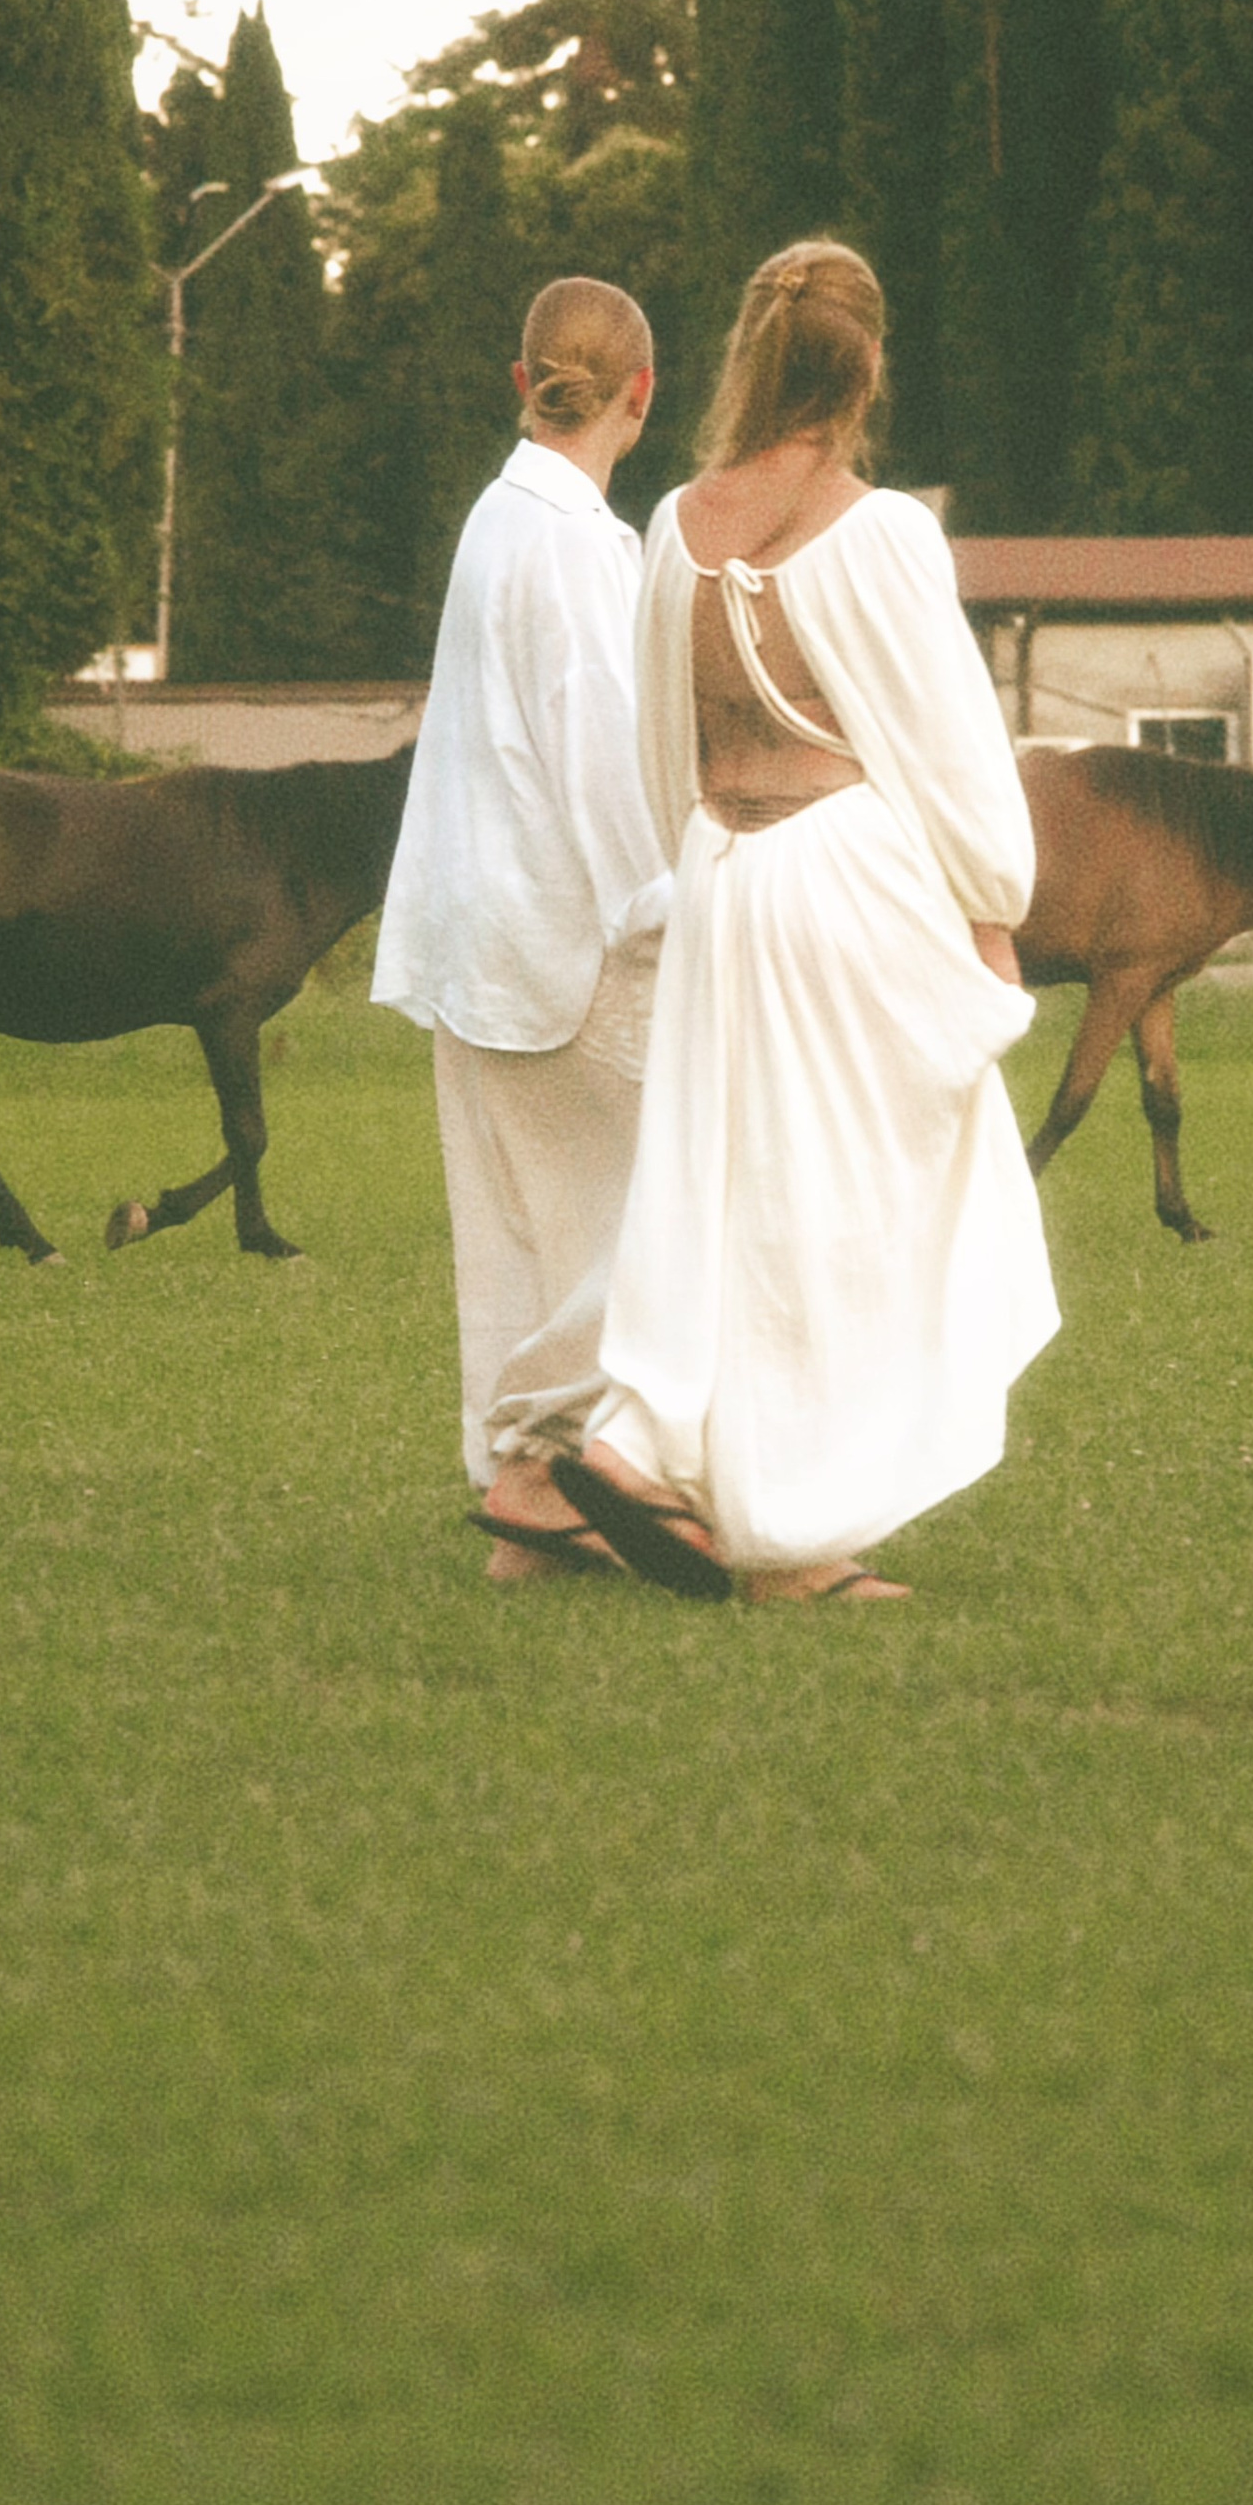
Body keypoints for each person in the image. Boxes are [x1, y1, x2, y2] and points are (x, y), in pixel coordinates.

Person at [555, 241, 1058, 1604]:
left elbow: (664, 749)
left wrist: (708, 863)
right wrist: (987, 907)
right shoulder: (881, 535)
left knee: (713, 1184)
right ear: (868, 368)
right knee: (842, 1204)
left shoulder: (674, 526)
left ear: (749, 361)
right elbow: (951, 754)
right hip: (842, 883)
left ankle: (639, 1441)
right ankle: (789, 1533)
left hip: (723, 876)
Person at [373, 277, 671, 1582]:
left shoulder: (500, 524)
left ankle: (528, 1508)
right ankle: (551, 1472)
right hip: (562, 937)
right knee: (681, 1193)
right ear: (643, 398)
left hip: (474, 936)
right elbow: (604, 755)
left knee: (519, 1237)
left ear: (522, 381)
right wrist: (663, 910)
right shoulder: (573, 546)